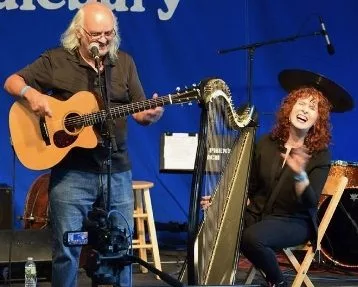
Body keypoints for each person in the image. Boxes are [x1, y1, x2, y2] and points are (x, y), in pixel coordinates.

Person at [4, 2, 163, 287]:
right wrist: (32, 95)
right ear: (78, 33)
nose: (103, 40)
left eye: (109, 33)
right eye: (96, 34)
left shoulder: (124, 63)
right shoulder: (56, 60)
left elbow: (139, 111)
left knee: (121, 248)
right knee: (67, 250)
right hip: (72, 173)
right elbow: (12, 82)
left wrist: (149, 114)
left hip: (117, 169)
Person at [201, 86, 332, 287]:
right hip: (258, 214)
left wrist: (299, 175)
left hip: (294, 221)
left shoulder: (320, 155)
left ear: (317, 120)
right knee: (216, 223)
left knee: (252, 238)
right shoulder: (266, 143)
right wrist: (219, 200)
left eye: (312, 108)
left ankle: (278, 282)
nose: (305, 110)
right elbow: (250, 188)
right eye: (301, 104)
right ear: (290, 109)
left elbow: (310, 201)